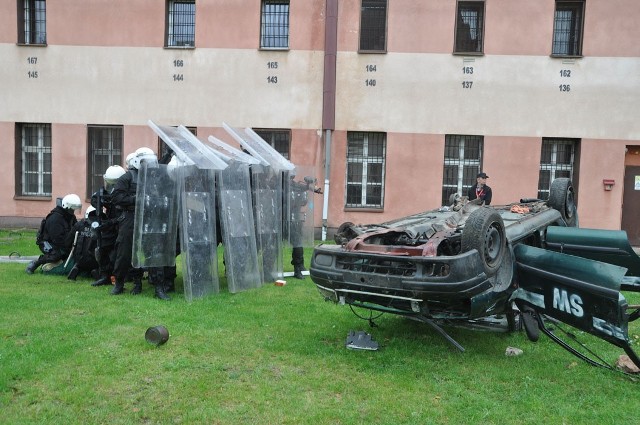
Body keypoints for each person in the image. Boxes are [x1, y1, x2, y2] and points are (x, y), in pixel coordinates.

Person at [89, 164, 127, 287]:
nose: (111, 186)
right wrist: (100, 202)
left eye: (114, 183)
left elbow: (123, 214)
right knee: (102, 247)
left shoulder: (126, 191)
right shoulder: (106, 191)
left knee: (118, 254)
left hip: (122, 224)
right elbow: (95, 197)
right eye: (109, 183)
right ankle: (104, 275)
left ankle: (118, 277)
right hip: (110, 224)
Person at [26, 194, 82, 274]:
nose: (73, 211)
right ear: (66, 206)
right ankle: (36, 263)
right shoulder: (55, 219)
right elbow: (57, 239)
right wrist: (70, 247)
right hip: (47, 242)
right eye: (72, 208)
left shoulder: (70, 217)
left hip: (63, 242)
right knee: (56, 255)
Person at [66, 206, 100, 280]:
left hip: (79, 257)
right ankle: (95, 271)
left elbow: (69, 240)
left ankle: (76, 267)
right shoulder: (101, 225)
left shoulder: (79, 224)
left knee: (80, 263)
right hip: (95, 259)